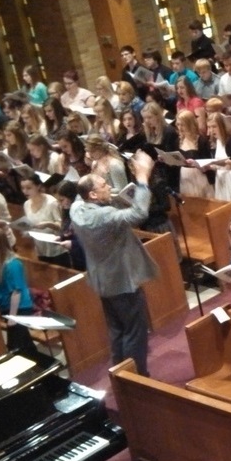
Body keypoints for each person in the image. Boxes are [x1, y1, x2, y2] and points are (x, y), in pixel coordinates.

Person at [70, 151, 159, 375]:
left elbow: (83, 191)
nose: (108, 186)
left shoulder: (76, 210)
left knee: (117, 331)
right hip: (122, 280)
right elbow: (139, 212)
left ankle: (120, 373)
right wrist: (142, 178)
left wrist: (96, 170)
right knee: (134, 331)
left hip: (103, 281)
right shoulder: (104, 216)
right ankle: (137, 377)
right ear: (92, 194)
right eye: (103, 185)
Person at [0, 226, 34, 352]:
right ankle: (45, 367)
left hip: (19, 308)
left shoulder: (13, 264)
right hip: (6, 306)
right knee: (25, 343)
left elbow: (16, 292)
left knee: (15, 346)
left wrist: (12, 317)